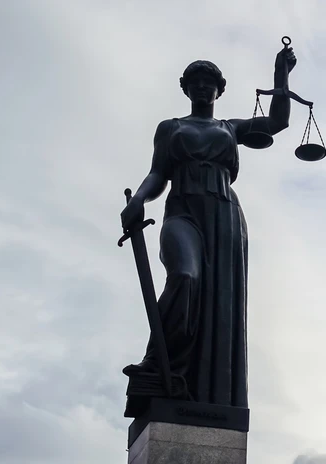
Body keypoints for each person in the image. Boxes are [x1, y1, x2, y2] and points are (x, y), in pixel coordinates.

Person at [119, 47, 297, 417]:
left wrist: (281, 75)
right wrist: (138, 199)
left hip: (224, 215)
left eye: (208, 82)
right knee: (185, 276)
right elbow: (158, 173)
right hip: (182, 212)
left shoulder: (230, 128)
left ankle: (195, 384)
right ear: (185, 88)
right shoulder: (170, 128)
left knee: (219, 301)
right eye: (195, 82)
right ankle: (157, 363)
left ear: (220, 89)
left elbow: (277, 122)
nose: (202, 87)